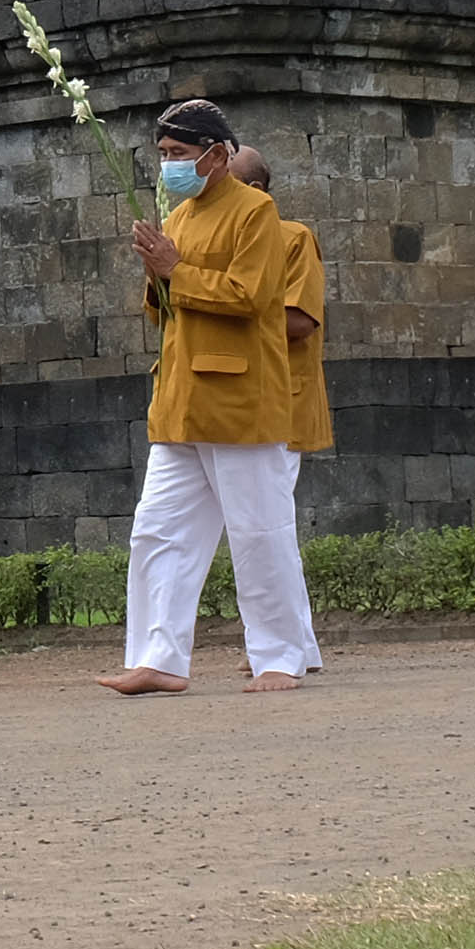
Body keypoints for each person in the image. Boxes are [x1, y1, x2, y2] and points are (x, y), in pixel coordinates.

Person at [96, 98, 327, 695]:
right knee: (157, 531)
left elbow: (252, 297)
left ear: (217, 156)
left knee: (259, 531)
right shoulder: (176, 218)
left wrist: (174, 270)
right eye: (164, 155)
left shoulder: (257, 212)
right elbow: (164, 313)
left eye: (178, 154)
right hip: (179, 398)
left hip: (241, 397)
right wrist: (155, 272)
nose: (169, 166)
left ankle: (279, 658)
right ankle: (158, 658)